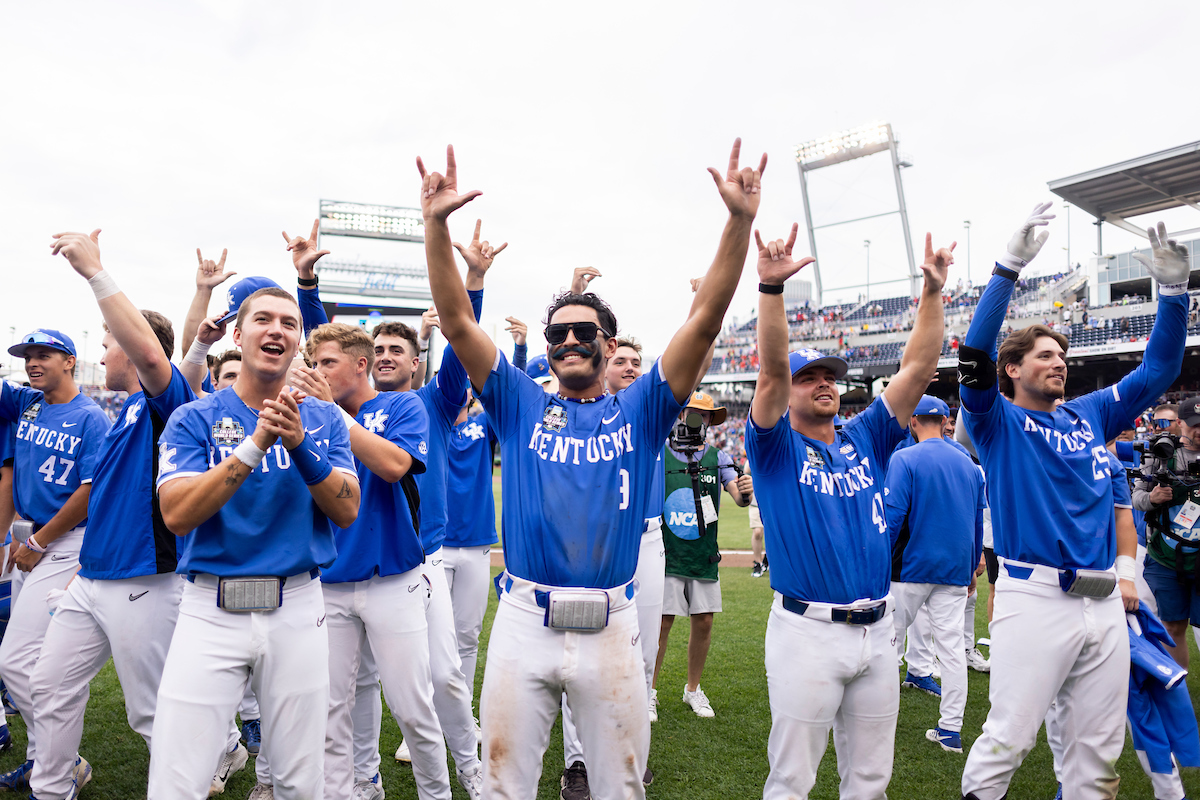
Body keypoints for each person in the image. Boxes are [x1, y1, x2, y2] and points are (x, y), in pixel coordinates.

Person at [417, 139, 763, 798]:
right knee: (502, 786)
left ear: (607, 346)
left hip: (612, 625)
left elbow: (708, 319)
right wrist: (436, 227)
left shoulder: (642, 409)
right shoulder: (517, 402)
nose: (570, 341)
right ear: (545, 351)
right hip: (523, 622)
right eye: (557, 335)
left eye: (584, 334)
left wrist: (738, 224)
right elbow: (459, 321)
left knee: (621, 787)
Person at [958, 212, 1187, 800]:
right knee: (1008, 740)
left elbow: (1160, 368)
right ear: (1011, 369)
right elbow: (972, 359)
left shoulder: (1089, 415)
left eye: (1061, 355)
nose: (1058, 362)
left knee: (1097, 754)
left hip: (1105, 599)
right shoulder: (996, 420)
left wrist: (1174, 294)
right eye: (1042, 356)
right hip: (1034, 596)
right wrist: (1006, 269)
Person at [746, 221, 952, 800]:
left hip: (878, 627)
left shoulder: (865, 436)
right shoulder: (775, 446)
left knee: (870, 780)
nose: (823, 385)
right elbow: (770, 372)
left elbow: (916, 369)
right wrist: (771, 291)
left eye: (829, 377)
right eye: (807, 377)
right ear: (788, 389)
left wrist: (933, 293)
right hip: (807, 631)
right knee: (791, 779)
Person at [290, 219, 489, 795]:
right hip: (339, 570)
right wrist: (306, 281)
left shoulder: (421, 401)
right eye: (375, 350)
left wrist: (473, 280)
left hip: (412, 562)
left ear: (415, 360)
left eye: (394, 350)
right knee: (348, 694)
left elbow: (462, 340)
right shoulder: (327, 400)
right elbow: (323, 346)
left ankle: (466, 770)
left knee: (441, 682)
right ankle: (362, 781)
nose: (381, 357)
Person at [151, 287, 360, 799]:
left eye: (289, 323)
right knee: (178, 776)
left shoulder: (324, 417)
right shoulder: (195, 417)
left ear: (299, 342)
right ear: (239, 335)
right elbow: (177, 514)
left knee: (299, 778)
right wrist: (255, 444)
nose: (276, 330)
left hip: (297, 604)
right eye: (263, 320)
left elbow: (347, 509)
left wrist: (298, 444)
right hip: (210, 607)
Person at [24, 231, 195, 800]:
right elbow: (108, 499)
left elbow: (156, 354)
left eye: (107, 343)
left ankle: (211, 762)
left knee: (152, 716)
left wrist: (96, 273)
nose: (102, 353)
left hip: (144, 581)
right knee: (48, 687)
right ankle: (52, 789)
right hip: (92, 578)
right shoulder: (125, 413)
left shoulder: (163, 406)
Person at [286, 322, 453, 800]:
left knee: (414, 707)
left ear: (360, 366)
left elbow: (395, 464)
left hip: (392, 577)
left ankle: (436, 795)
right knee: (331, 709)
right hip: (331, 580)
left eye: (327, 364)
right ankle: (350, 791)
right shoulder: (310, 415)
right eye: (313, 364)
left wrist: (333, 414)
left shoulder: (402, 404)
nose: (316, 373)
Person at [0, 327, 110, 794]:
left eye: (43, 354)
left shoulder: (91, 417)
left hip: (65, 544)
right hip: (29, 536)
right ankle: (49, 759)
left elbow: (89, 492)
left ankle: (58, 763)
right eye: (27, 356)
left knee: (20, 661)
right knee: (27, 664)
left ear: (70, 360)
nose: (32, 363)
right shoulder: (27, 403)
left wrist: (39, 542)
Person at [885, 394, 985, 754]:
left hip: (910, 568)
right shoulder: (970, 464)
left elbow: (893, 516)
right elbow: (976, 521)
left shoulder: (905, 457)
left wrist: (879, 561)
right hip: (955, 569)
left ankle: (875, 723)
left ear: (913, 421)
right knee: (953, 651)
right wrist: (974, 564)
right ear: (945, 421)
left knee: (886, 646)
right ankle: (951, 731)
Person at [652, 392, 752, 719]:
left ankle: (692, 689)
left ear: (710, 421)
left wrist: (745, 491)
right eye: (692, 413)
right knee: (662, 623)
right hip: (668, 553)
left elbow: (738, 496)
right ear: (680, 416)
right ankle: (648, 690)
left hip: (703, 554)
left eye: (704, 415)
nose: (697, 419)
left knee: (704, 621)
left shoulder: (719, 458)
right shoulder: (660, 454)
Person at [1133, 397, 1200, 669]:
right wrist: (1155, 497)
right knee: (1172, 629)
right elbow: (1137, 497)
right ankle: (1178, 698)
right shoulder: (1160, 454)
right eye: (1195, 425)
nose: (1199, 431)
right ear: (1181, 423)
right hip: (1166, 556)